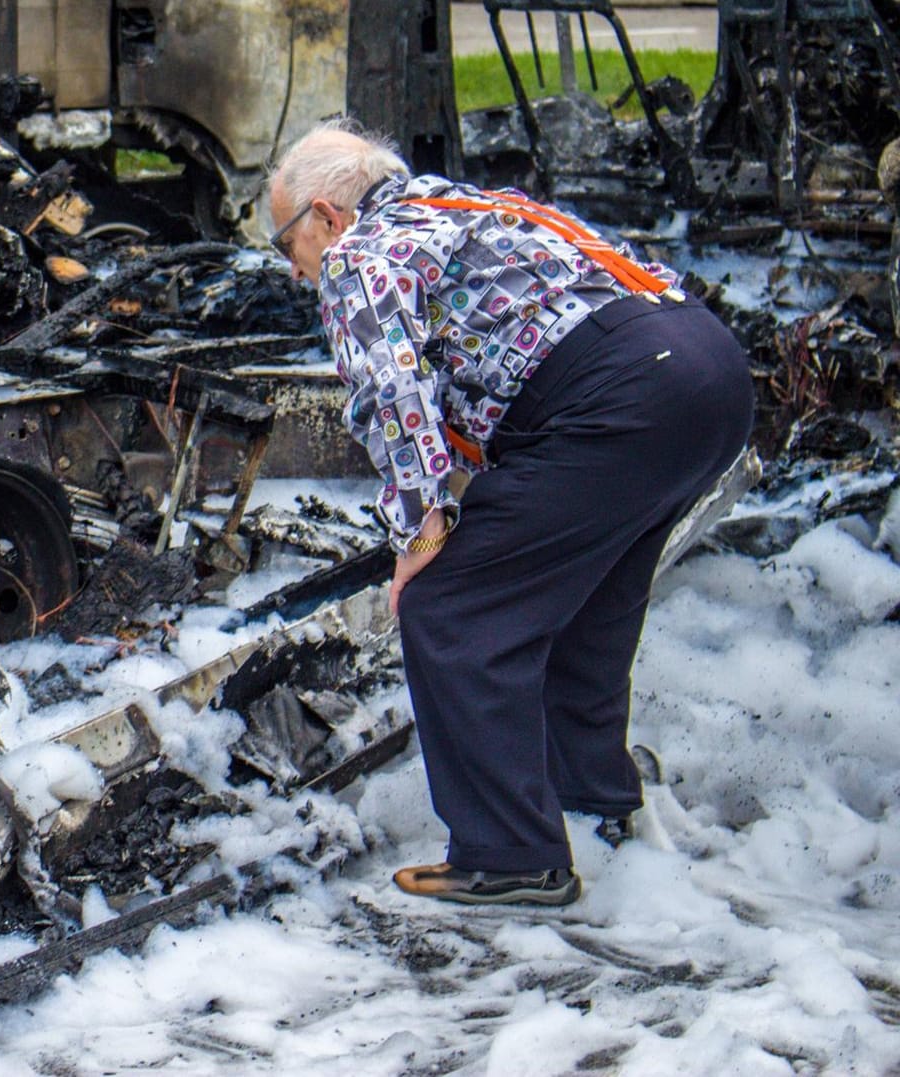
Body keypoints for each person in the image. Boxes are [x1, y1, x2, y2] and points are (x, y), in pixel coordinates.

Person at [265, 121, 753, 906]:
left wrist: (420, 536)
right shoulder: (458, 206)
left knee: (451, 606)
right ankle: (592, 798)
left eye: (287, 245)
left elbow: (392, 394)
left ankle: (511, 853)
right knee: (587, 601)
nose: (294, 272)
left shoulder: (359, 254)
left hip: (618, 397)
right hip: (707, 373)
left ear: (325, 215)